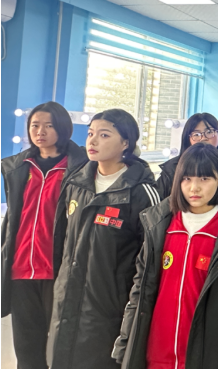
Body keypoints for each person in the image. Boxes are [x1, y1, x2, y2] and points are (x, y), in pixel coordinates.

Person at [112, 144, 218, 369]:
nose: (194, 188)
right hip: (154, 356)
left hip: (204, 358)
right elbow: (139, 291)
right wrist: (125, 346)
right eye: (187, 179)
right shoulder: (159, 226)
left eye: (204, 179)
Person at [46, 109, 161, 369]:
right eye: (90, 134)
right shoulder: (76, 184)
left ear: (126, 143)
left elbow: (150, 266)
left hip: (110, 312)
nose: (93, 140)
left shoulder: (142, 193)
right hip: (66, 306)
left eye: (104, 135)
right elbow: (61, 244)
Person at [1, 102, 88, 369]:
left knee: (63, 347)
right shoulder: (18, 167)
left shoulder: (81, 168)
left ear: (63, 128)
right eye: (35, 125)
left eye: (49, 125)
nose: (40, 131)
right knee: (27, 348)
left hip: (58, 271)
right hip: (21, 270)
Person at [156, 113, 218, 199]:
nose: (203, 138)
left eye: (209, 132)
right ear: (188, 140)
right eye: (196, 134)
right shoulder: (172, 168)